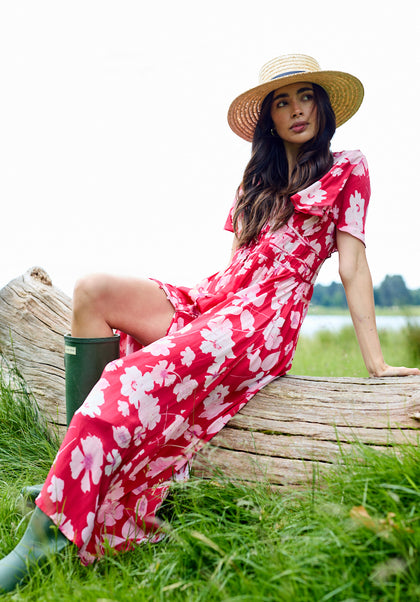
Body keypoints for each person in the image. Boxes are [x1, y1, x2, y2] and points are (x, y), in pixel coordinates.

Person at [1, 53, 419, 593]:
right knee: (92, 291)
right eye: (282, 102)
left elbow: (353, 266)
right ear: (268, 117)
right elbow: (234, 260)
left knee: (125, 380)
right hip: (220, 299)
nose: (296, 110)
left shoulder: (349, 168)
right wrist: (200, 315)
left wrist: (377, 363)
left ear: (324, 104)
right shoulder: (258, 176)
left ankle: (48, 535)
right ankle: (76, 471)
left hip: (263, 322)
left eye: (306, 96)